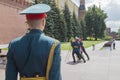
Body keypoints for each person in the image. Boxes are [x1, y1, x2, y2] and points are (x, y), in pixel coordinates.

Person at [5, 4, 61, 80]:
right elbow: (55, 77)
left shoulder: (13, 44)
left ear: (27, 23)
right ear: (43, 22)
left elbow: (10, 76)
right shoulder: (53, 44)